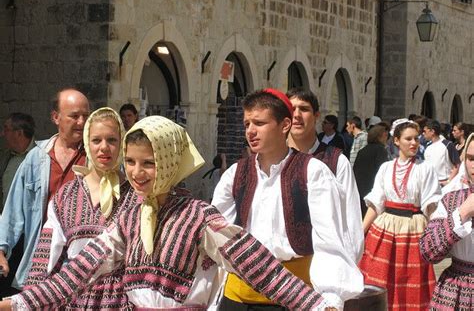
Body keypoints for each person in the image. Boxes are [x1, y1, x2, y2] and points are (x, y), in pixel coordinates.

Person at [1, 116, 330, 310]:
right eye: (130, 162)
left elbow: (261, 269)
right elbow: (79, 271)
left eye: (149, 163)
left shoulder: (199, 218)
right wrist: (19, 303)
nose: (137, 173)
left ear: (170, 163)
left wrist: (315, 305)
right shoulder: (129, 220)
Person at [213, 89, 363, 310]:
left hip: (294, 297)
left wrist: (332, 296)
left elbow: (330, 239)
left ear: (284, 125)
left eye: (259, 123)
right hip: (238, 296)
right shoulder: (235, 174)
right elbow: (218, 234)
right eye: (247, 124)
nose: (251, 131)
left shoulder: (313, 171)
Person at [23, 107, 136, 309]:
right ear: (86, 143)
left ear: (122, 144)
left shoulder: (136, 196)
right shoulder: (66, 196)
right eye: (96, 140)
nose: (104, 148)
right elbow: (45, 258)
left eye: (112, 140)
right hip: (75, 302)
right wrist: (27, 302)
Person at [0, 88, 90, 291]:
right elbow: (14, 209)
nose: (82, 122)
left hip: (79, 267)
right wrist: (1, 249)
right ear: (56, 117)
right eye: (74, 116)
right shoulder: (36, 158)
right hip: (39, 263)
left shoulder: (96, 159)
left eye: (86, 116)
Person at [359, 119, 441, 310]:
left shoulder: (425, 168)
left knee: (409, 278)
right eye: (408, 139)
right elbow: (376, 203)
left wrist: (436, 235)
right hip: (385, 228)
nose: (413, 143)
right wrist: (361, 231)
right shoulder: (386, 168)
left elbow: (431, 204)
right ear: (396, 141)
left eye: (416, 139)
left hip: (413, 227)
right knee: (380, 278)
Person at [286, 87, 363, 263]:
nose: (296, 115)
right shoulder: (273, 161)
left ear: (316, 116)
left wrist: (348, 266)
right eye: (291, 109)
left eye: (304, 109)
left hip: (323, 265)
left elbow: (350, 220)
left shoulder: (336, 161)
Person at [420, 132, 474, 310]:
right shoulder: (452, 198)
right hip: (456, 292)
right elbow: (428, 251)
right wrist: (462, 212)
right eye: (471, 158)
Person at [0, 113, 35, 298]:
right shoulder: (6, 158)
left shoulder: (38, 158)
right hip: (5, 226)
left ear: (19, 133)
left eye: (6, 129)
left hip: (26, 233)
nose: (3, 134)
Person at [353, 123, 389, 217]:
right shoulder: (380, 151)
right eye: (385, 135)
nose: (387, 138)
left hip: (360, 192)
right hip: (373, 192)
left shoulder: (363, 150)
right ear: (379, 137)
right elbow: (383, 173)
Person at [423, 119, 460, 186]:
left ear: (432, 131)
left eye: (425, 131)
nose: (423, 133)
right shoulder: (427, 147)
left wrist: (449, 181)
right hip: (431, 184)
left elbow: (457, 164)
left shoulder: (448, 144)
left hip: (446, 184)